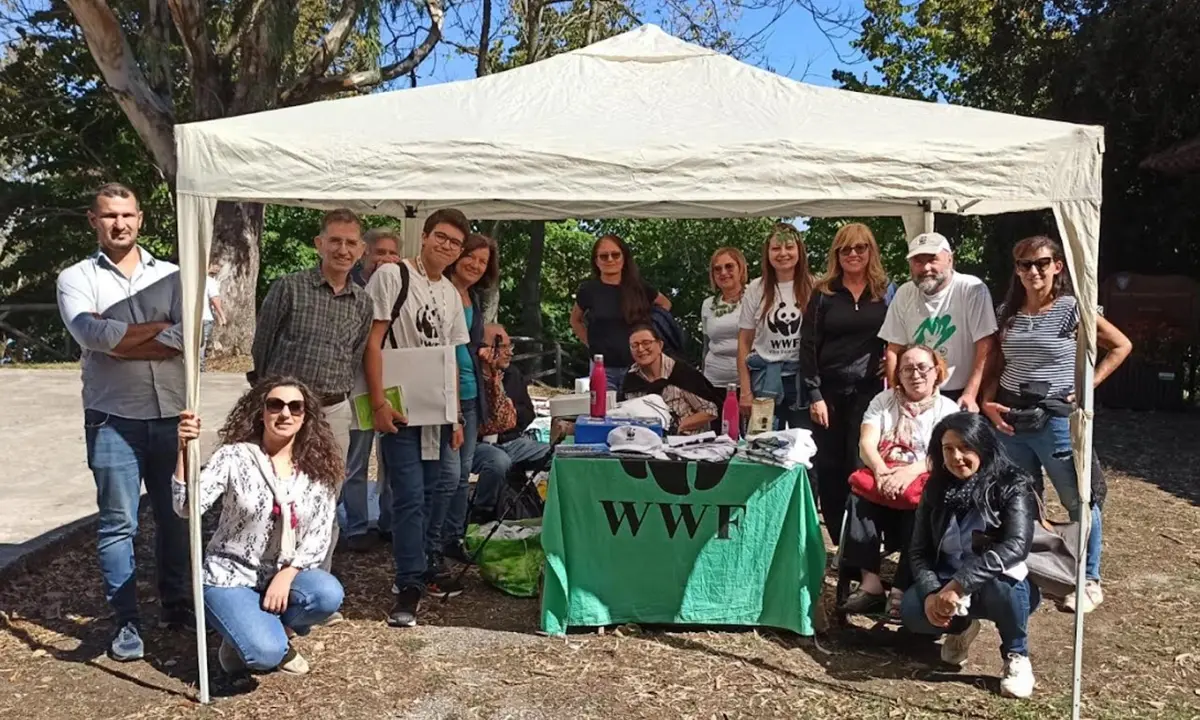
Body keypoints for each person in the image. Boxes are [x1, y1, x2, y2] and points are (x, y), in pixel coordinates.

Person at [55, 182, 190, 662]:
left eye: (127, 215)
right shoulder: (76, 278)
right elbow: (90, 334)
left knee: (177, 515)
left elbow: (194, 334)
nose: (120, 224)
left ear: (140, 219)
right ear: (94, 220)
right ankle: (127, 620)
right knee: (118, 523)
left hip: (172, 414)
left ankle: (178, 605)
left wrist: (121, 341)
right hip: (113, 418)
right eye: (110, 215)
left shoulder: (175, 276)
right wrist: (159, 330)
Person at [982, 235, 1132, 614]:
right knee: (1023, 498)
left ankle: (1089, 578)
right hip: (1012, 419)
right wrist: (987, 402)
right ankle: (1040, 567)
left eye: (1042, 263)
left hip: (1056, 420)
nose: (1034, 271)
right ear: (1017, 270)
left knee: (1079, 498)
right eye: (1025, 264)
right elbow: (997, 362)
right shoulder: (1007, 313)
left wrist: (1087, 388)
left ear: (1057, 267)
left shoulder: (1071, 309)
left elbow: (1121, 345)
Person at [174, 377, 344, 677]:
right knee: (264, 653)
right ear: (261, 413)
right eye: (275, 405)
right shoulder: (234, 457)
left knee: (326, 594)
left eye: (295, 407)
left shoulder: (318, 468)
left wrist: (287, 574)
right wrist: (184, 449)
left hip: (281, 573)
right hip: (230, 575)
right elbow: (186, 506)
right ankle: (249, 637)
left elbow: (319, 535)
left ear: (306, 416)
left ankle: (271, 629)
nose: (285, 413)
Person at [252, 208, 373, 594]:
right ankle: (264, 583)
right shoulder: (289, 288)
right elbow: (262, 346)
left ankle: (313, 587)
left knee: (324, 500)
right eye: (335, 241)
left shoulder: (363, 302)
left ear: (361, 250)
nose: (342, 249)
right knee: (273, 497)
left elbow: (354, 356)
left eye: (350, 243)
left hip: (333, 411)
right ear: (319, 244)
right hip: (284, 413)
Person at [364, 208, 470, 627]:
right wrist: (377, 403)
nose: (446, 246)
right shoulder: (393, 276)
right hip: (401, 405)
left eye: (455, 243)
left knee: (436, 490)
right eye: (440, 237)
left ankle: (426, 565)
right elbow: (373, 341)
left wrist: (456, 416)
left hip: (437, 410)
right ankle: (408, 580)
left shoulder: (450, 293)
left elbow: (451, 357)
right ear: (424, 236)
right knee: (408, 494)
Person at [901, 412, 1039, 699]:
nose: (957, 457)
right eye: (948, 449)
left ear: (983, 446)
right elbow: (918, 550)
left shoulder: (1012, 483)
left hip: (998, 580)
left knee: (1004, 585)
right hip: (947, 576)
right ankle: (961, 627)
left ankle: (1016, 655)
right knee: (914, 612)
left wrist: (959, 585)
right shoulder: (935, 487)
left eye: (965, 447)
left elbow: (1016, 545)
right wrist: (931, 593)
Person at [840, 345, 958, 617]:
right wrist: (881, 471)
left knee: (925, 507)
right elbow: (866, 444)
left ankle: (901, 588)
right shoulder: (883, 401)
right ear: (898, 374)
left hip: (921, 480)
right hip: (884, 473)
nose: (915, 375)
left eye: (922, 368)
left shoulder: (948, 410)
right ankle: (870, 583)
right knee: (858, 498)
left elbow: (946, 454)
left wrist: (909, 472)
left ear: (936, 371)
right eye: (907, 369)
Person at [801, 223, 893, 541]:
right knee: (829, 466)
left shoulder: (884, 291)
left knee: (860, 462)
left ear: (871, 251)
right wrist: (814, 393)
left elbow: (898, 334)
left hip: (868, 392)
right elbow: (808, 345)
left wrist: (892, 361)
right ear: (836, 255)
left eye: (860, 247)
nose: (853, 254)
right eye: (845, 249)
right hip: (828, 392)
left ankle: (860, 539)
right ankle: (838, 540)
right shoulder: (823, 293)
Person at [879, 232, 997, 411]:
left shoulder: (971, 289)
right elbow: (894, 349)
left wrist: (971, 394)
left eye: (933, 259)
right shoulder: (904, 293)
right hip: (915, 395)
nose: (926, 268)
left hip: (961, 394)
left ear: (950, 259)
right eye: (918, 261)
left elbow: (986, 346)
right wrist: (896, 393)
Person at [341, 227, 403, 552]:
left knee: (392, 457)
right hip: (359, 386)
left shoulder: (403, 287)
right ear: (365, 253)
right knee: (357, 459)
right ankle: (356, 526)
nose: (387, 259)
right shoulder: (349, 288)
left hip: (393, 383)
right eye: (380, 252)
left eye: (393, 253)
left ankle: (390, 522)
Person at [441, 233, 500, 562]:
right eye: (471, 257)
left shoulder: (473, 298)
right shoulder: (440, 290)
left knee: (463, 474)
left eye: (483, 261)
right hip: (444, 393)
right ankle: (434, 539)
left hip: (471, 392)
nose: (476, 265)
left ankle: (454, 537)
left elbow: (470, 342)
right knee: (448, 475)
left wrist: (483, 353)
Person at [736, 222, 815, 431]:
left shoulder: (814, 286)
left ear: (799, 250)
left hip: (802, 382)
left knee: (805, 443)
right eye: (776, 248)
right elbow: (744, 341)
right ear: (767, 253)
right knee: (763, 441)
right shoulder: (756, 288)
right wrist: (745, 390)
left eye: (789, 247)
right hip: (765, 381)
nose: (783, 253)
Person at [471, 324, 552, 522]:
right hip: (478, 444)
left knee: (556, 455)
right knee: (498, 462)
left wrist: (510, 416)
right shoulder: (470, 376)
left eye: (511, 346)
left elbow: (528, 413)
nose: (510, 353)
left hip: (512, 440)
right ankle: (482, 513)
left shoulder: (513, 374)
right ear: (485, 349)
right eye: (503, 347)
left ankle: (550, 510)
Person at [570, 234, 671, 390]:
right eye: (604, 256)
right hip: (603, 369)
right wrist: (590, 343)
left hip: (637, 367)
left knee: (638, 406)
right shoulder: (588, 290)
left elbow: (665, 304)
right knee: (603, 406)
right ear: (596, 261)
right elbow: (575, 320)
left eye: (615, 255)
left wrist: (649, 332)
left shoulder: (639, 288)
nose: (610, 259)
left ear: (624, 258)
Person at [622, 325, 721, 434]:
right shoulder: (631, 378)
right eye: (634, 345)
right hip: (645, 437)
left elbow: (710, 411)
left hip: (686, 439)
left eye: (646, 343)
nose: (640, 349)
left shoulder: (682, 372)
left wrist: (679, 426)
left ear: (660, 345)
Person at [701, 247, 748, 388]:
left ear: (741, 269)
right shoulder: (708, 304)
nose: (723, 272)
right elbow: (706, 345)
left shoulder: (755, 297)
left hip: (750, 382)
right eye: (717, 269)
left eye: (729, 266)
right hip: (714, 382)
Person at [201, 262, 227, 371]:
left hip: (187, 317)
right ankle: (200, 368)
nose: (217, 268)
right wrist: (221, 315)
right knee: (201, 344)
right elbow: (214, 299)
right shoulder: (209, 281)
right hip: (205, 317)